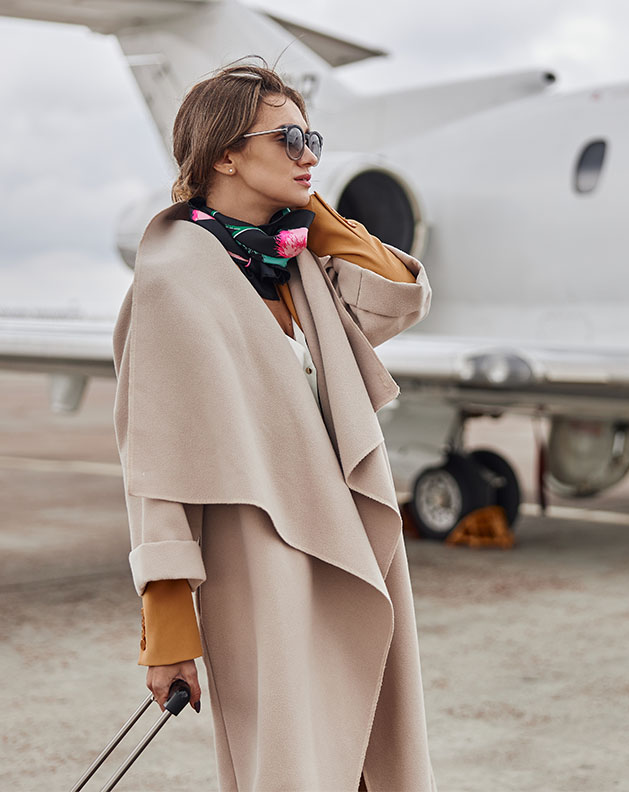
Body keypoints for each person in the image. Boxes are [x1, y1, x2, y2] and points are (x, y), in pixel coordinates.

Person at [111, 59, 436, 791]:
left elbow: (398, 297)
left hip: (351, 538)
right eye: (289, 138)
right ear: (225, 153)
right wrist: (167, 630)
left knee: (370, 763)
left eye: (312, 137)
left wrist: (316, 218)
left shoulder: (293, 266)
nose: (311, 155)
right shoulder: (173, 279)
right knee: (293, 766)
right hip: (261, 556)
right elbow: (154, 465)